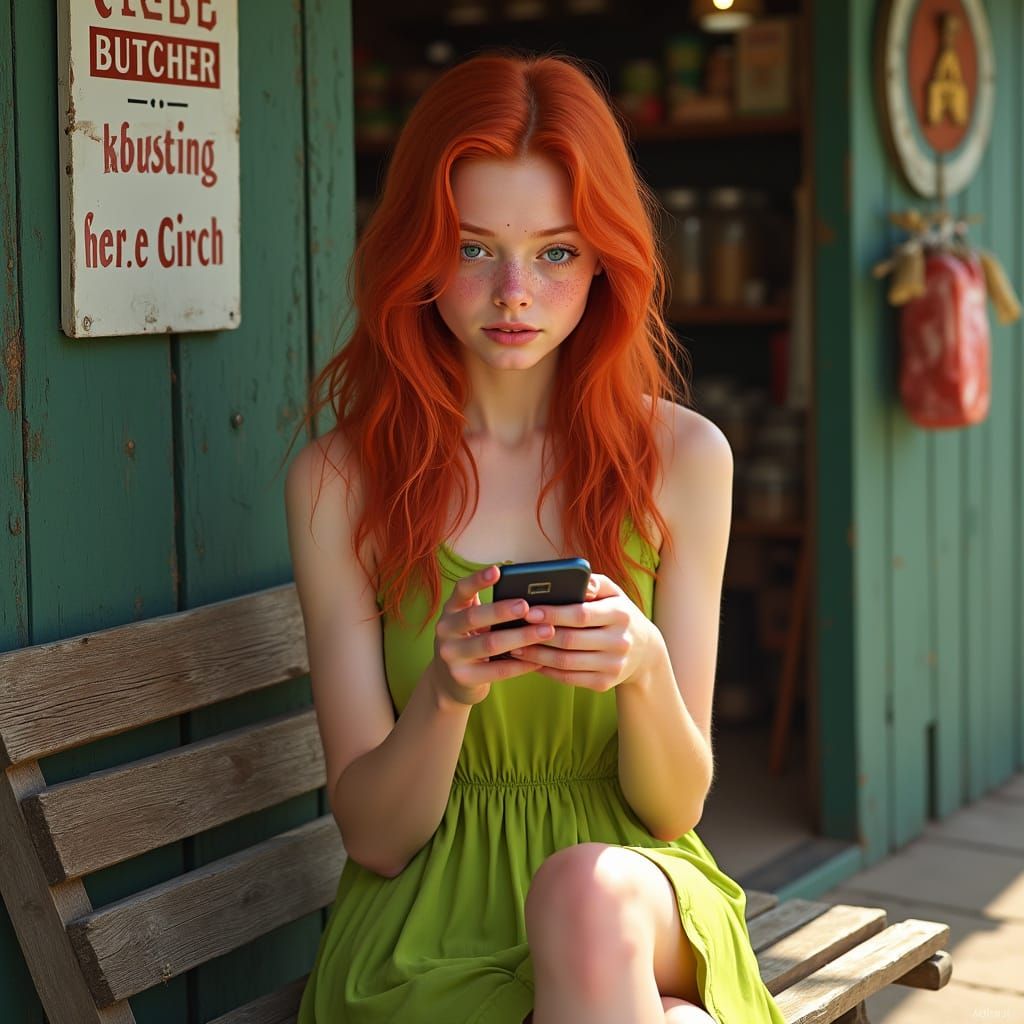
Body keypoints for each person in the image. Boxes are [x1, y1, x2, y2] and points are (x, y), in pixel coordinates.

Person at [283, 49, 785, 1024]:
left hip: (632, 886)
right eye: (474, 248)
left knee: (581, 897)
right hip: (428, 923)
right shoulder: (338, 484)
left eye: (554, 250)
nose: (514, 290)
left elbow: (676, 808)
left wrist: (641, 667)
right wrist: (446, 690)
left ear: (603, 260)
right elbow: (378, 839)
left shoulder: (684, 457)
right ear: (419, 253)